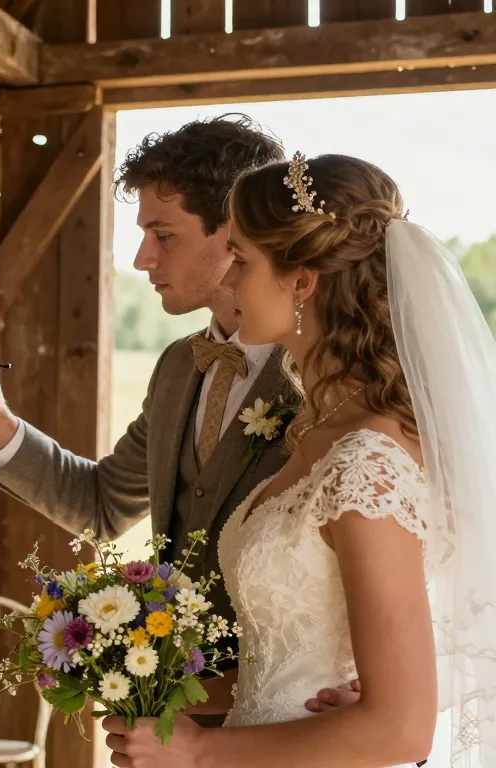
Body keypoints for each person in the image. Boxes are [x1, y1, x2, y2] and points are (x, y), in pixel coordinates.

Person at [0, 117, 356, 718]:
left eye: (163, 235)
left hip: (294, 716)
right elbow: (103, 506)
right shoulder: (178, 367)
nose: (140, 258)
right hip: (170, 718)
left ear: (235, 230)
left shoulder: (328, 381)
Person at [102, 152, 496, 767]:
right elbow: (285, 666)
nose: (228, 281)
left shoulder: (365, 462)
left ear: (302, 281)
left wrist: (202, 751)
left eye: (244, 261)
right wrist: (149, 697)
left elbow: (400, 730)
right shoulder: (315, 431)